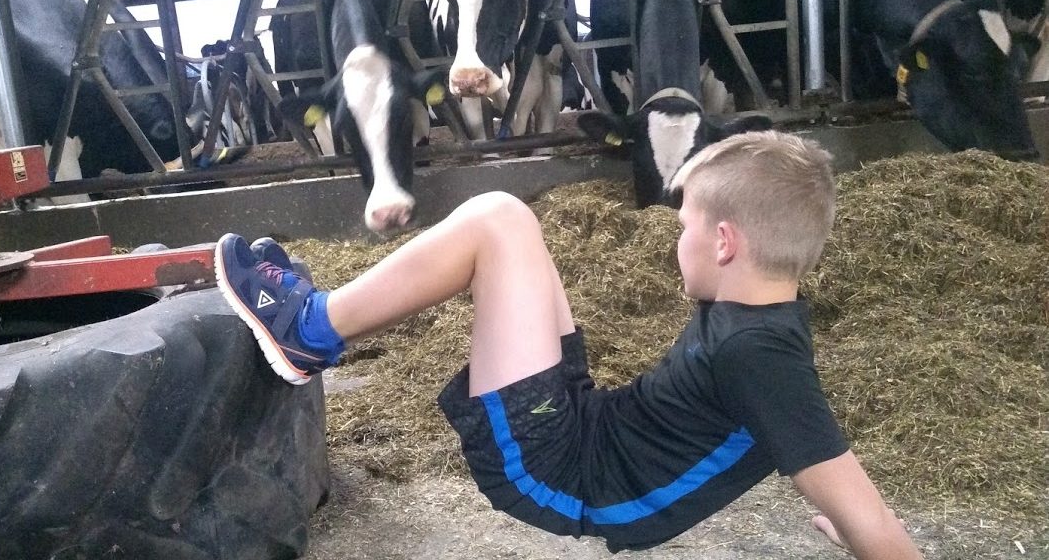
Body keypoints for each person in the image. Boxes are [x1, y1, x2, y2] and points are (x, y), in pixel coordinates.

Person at [212, 131, 922, 558]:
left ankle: (306, 330)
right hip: (587, 426)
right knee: (510, 223)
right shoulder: (764, 313)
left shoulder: (760, 358)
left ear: (726, 243)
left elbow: (846, 486)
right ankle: (318, 319)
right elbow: (813, 457)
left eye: (685, 227)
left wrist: (870, 535)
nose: (677, 242)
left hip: (563, 469)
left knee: (496, 219)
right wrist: (860, 532)